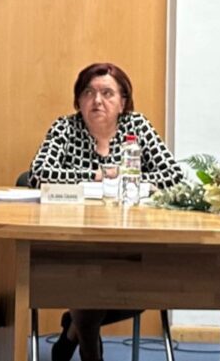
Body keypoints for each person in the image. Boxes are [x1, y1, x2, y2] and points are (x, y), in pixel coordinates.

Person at [27, 62, 183, 361]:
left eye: (107, 93)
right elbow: (39, 174)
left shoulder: (137, 127)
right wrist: (98, 175)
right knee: (88, 277)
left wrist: (130, 179)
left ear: (123, 102)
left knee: (98, 286)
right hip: (72, 240)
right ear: (79, 100)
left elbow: (173, 176)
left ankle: (74, 329)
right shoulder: (65, 128)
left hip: (128, 240)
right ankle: (87, 344)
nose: (97, 101)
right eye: (88, 93)